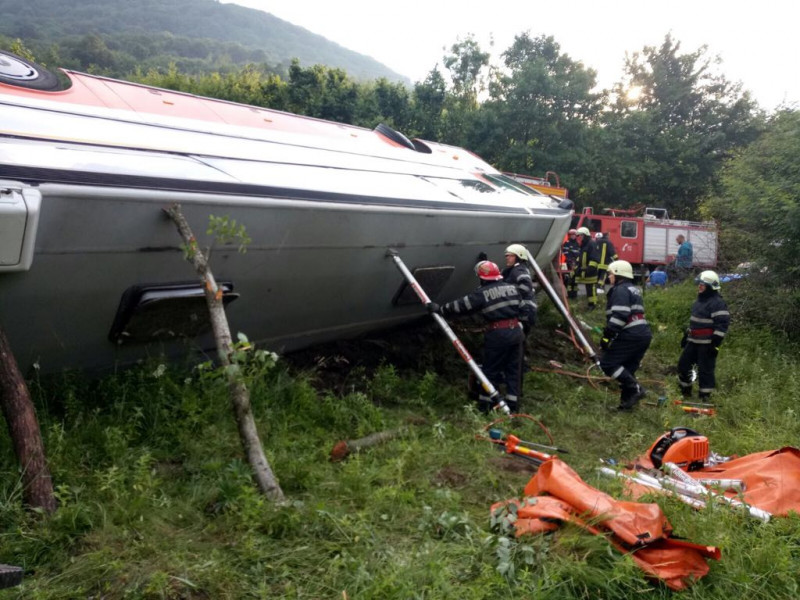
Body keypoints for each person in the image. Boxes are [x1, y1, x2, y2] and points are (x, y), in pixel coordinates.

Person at [429, 260, 524, 413]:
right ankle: (513, 407)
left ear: (482, 278)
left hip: (498, 335)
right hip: (516, 333)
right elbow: (522, 307)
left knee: (490, 371)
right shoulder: (512, 288)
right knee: (513, 371)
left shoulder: (482, 293)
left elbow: (463, 305)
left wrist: (440, 309)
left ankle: (485, 407)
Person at [599, 260, 652, 411]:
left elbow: (620, 316)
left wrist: (607, 337)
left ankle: (636, 389)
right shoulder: (632, 289)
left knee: (608, 363)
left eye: (610, 274)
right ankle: (626, 405)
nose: (609, 277)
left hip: (631, 334)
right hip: (642, 334)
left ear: (618, 274)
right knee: (628, 369)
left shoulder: (620, 290)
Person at [677, 271, 730, 403]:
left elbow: (722, 325)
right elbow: (696, 322)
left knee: (705, 371)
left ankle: (705, 397)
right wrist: (686, 335)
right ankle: (685, 392)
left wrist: (715, 344)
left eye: (703, 285)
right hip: (693, 341)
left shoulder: (717, 303)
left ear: (711, 287)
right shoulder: (699, 301)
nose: (699, 287)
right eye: (699, 284)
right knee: (683, 366)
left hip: (707, 344)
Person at [502, 244, 537, 335]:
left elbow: (526, 286)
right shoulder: (513, 270)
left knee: (518, 341)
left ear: (519, 257)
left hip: (523, 313)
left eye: (510, 255)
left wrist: (510, 296)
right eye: (507, 256)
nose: (507, 258)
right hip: (522, 313)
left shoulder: (519, 270)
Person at [574, 227, 600, 309]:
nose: (578, 237)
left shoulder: (591, 244)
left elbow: (594, 259)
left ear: (584, 235)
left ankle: (593, 306)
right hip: (585, 271)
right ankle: (590, 305)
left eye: (579, 235)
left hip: (590, 272)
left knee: (591, 290)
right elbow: (582, 257)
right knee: (588, 290)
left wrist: (588, 269)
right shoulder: (584, 245)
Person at [562, 229, 581, 298]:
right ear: (570, 235)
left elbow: (579, 253)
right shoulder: (567, 243)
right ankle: (569, 295)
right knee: (569, 280)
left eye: (575, 235)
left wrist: (577, 261)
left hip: (576, 264)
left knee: (575, 280)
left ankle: (574, 295)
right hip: (569, 264)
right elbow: (566, 253)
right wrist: (570, 261)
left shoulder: (577, 244)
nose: (574, 236)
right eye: (572, 235)